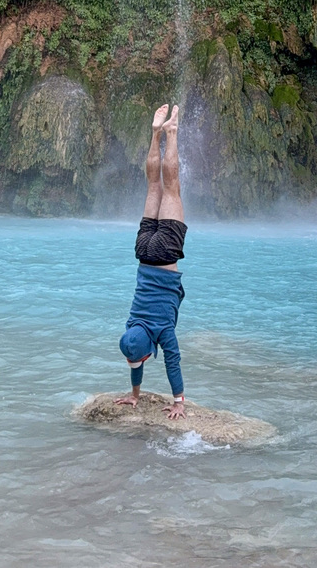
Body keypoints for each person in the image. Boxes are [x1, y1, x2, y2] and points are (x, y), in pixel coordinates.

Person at [116, 103, 187, 419]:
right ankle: (155, 133)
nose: (138, 360)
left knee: (171, 187)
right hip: (143, 253)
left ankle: (171, 132)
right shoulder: (131, 327)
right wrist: (135, 395)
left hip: (165, 253)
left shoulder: (160, 331)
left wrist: (179, 401)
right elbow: (135, 362)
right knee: (154, 185)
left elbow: (173, 362)